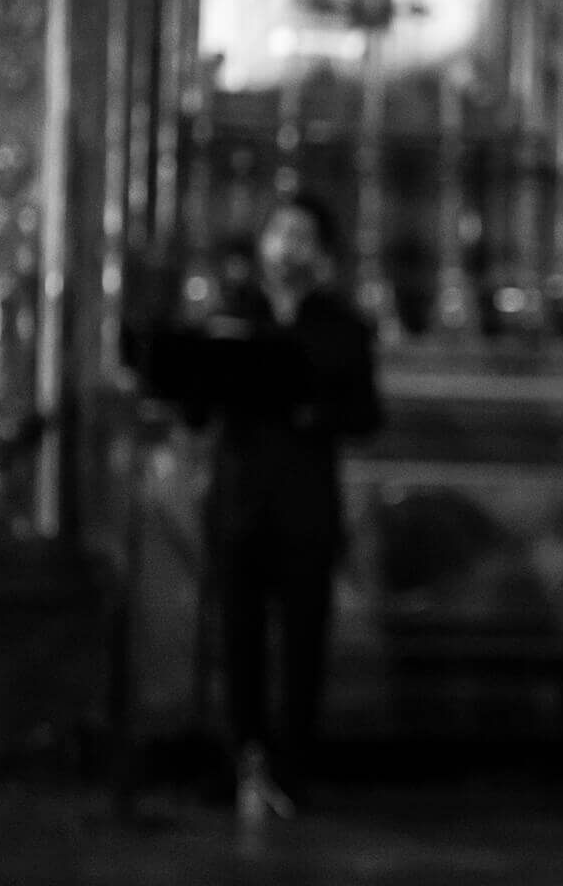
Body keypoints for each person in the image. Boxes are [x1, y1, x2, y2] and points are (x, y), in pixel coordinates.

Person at [127, 193, 382, 816]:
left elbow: (367, 415)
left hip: (305, 503)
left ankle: (294, 770)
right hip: (239, 499)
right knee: (237, 639)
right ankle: (244, 759)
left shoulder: (342, 325)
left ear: (320, 254)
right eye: (278, 233)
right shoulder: (232, 316)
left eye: (302, 235)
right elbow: (197, 401)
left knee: (302, 642)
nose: (287, 246)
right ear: (262, 245)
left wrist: (315, 410)